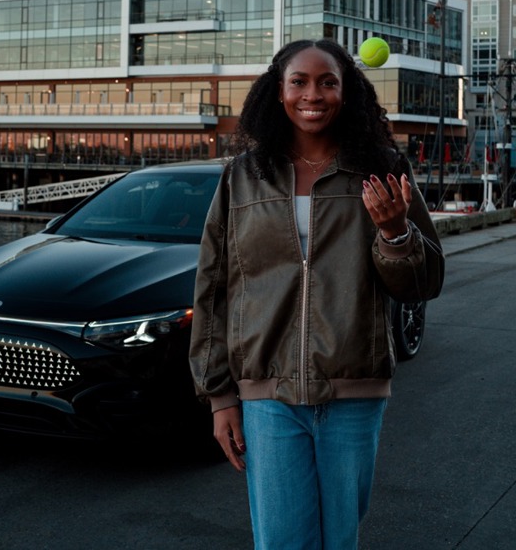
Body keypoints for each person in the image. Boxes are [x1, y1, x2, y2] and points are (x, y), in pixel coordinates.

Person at [190, 39, 444, 549]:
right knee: (283, 541)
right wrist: (220, 396)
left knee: (339, 540)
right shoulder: (244, 176)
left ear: (347, 93)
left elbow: (424, 283)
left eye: (328, 82)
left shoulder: (382, 170)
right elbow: (215, 287)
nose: (314, 94)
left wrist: (396, 233)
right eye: (299, 82)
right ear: (277, 93)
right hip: (269, 395)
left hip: (353, 391)